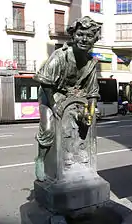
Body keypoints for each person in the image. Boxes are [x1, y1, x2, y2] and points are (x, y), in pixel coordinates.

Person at [33, 16, 101, 181]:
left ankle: (79, 161)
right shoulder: (60, 56)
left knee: (84, 124)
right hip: (50, 94)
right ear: (73, 35)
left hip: (73, 97)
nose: (84, 39)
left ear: (94, 39)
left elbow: (92, 92)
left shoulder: (91, 63)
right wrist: (54, 104)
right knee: (48, 128)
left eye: (89, 36)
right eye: (80, 34)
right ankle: (40, 159)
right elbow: (46, 82)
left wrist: (90, 113)